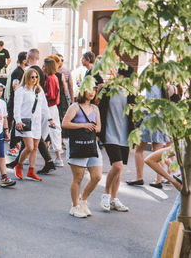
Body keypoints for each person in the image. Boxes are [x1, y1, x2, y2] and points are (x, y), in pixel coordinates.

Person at [98, 66, 135, 212]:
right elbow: (100, 110)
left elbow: (134, 114)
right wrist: (98, 133)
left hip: (125, 134)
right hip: (110, 134)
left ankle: (114, 198)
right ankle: (106, 195)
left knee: (119, 169)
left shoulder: (130, 92)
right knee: (117, 165)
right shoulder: (107, 90)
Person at [62, 88, 102, 218]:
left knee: (97, 177)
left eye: (94, 91)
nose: (92, 93)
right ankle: (74, 206)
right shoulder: (75, 106)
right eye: (89, 90)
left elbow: (99, 128)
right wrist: (83, 125)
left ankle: (83, 200)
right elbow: (65, 123)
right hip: (78, 144)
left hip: (91, 145)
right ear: (83, 91)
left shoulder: (95, 108)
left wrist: (90, 127)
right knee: (78, 177)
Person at [128, 83, 171, 187]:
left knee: (139, 150)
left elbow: (151, 105)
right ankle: (158, 180)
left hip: (150, 121)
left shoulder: (153, 85)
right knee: (158, 152)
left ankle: (139, 177)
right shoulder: (165, 86)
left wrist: (140, 109)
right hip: (161, 121)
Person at [13, 68, 51, 182]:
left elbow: (44, 106)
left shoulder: (39, 90)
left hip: (37, 122)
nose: (34, 79)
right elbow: (17, 108)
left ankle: (31, 171)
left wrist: (50, 118)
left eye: (36, 77)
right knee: (29, 147)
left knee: (35, 148)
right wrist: (18, 120)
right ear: (27, 77)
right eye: (32, 77)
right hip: (25, 121)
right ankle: (19, 165)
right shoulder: (21, 90)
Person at [43, 57, 64, 165]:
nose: (42, 67)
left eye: (44, 65)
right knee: (55, 131)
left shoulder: (50, 78)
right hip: (53, 107)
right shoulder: (54, 77)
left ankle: (28, 154)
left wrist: (41, 95)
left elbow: (50, 95)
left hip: (49, 107)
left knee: (42, 132)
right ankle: (58, 157)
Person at [6, 52, 28, 157]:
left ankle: (15, 144)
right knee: (15, 123)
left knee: (15, 123)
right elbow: (15, 87)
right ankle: (13, 146)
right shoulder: (18, 72)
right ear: (24, 61)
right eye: (27, 58)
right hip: (15, 101)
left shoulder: (22, 71)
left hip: (17, 101)